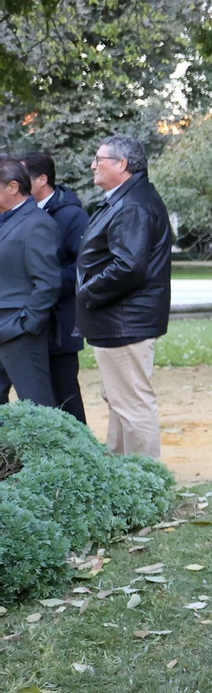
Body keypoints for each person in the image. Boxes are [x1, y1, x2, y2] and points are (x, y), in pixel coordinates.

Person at [78, 134, 171, 458]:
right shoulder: (126, 199)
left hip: (125, 321)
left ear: (122, 164)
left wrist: (87, 290)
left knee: (132, 405)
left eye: (99, 159)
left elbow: (129, 266)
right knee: (119, 401)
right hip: (117, 319)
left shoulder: (133, 204)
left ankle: (144, 479)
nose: (93, 165)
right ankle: (119, 471)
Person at [22, 152, 88, 421]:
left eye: (22, 177)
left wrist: (46, 283)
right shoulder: (21, 214)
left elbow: (84, 267)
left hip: (61, 323)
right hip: (30, 322)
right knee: (38, 398)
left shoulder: (72, 215)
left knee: (66, 396)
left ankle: (80, 445)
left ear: (42, 179)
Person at [0, 157, 61, 408]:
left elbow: (48, 283)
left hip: (21, 333)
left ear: (13, 187)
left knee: (38, 408)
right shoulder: (5, 220)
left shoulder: (38, 223)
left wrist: (25, 325)